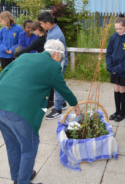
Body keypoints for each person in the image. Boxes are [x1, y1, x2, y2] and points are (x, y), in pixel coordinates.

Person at [0, 39, 81, 184]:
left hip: (1, 105)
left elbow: (3, 73)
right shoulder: (53, 66)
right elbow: (62, 89)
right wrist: (75, 104)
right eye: (61, 57)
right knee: (29, 147)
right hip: (20, 112)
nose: (60, 60)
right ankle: (23, 181)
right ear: (56, 54)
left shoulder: (25, 56)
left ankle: (17, 177)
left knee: (12, 145)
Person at [106, 15, 125, 122]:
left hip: (124, 69)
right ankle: (117, 111)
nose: (118, 31)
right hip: (113, 68)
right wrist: (109, 66)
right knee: (116, 89)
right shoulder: (113, 37)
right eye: (116, 29)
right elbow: (109, 52)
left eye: (120, 28)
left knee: (122, 89)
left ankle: (122, 112)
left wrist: (118, 69)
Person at [38, 11, 68, 118]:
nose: (41, 26)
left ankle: (58, 109)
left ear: (47, 23)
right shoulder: (52, 30)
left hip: (58, 62)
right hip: (55, 61)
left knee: (57, 85)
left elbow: (56, 54)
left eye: (41, 24)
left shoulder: (56, 34)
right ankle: (63, 103)